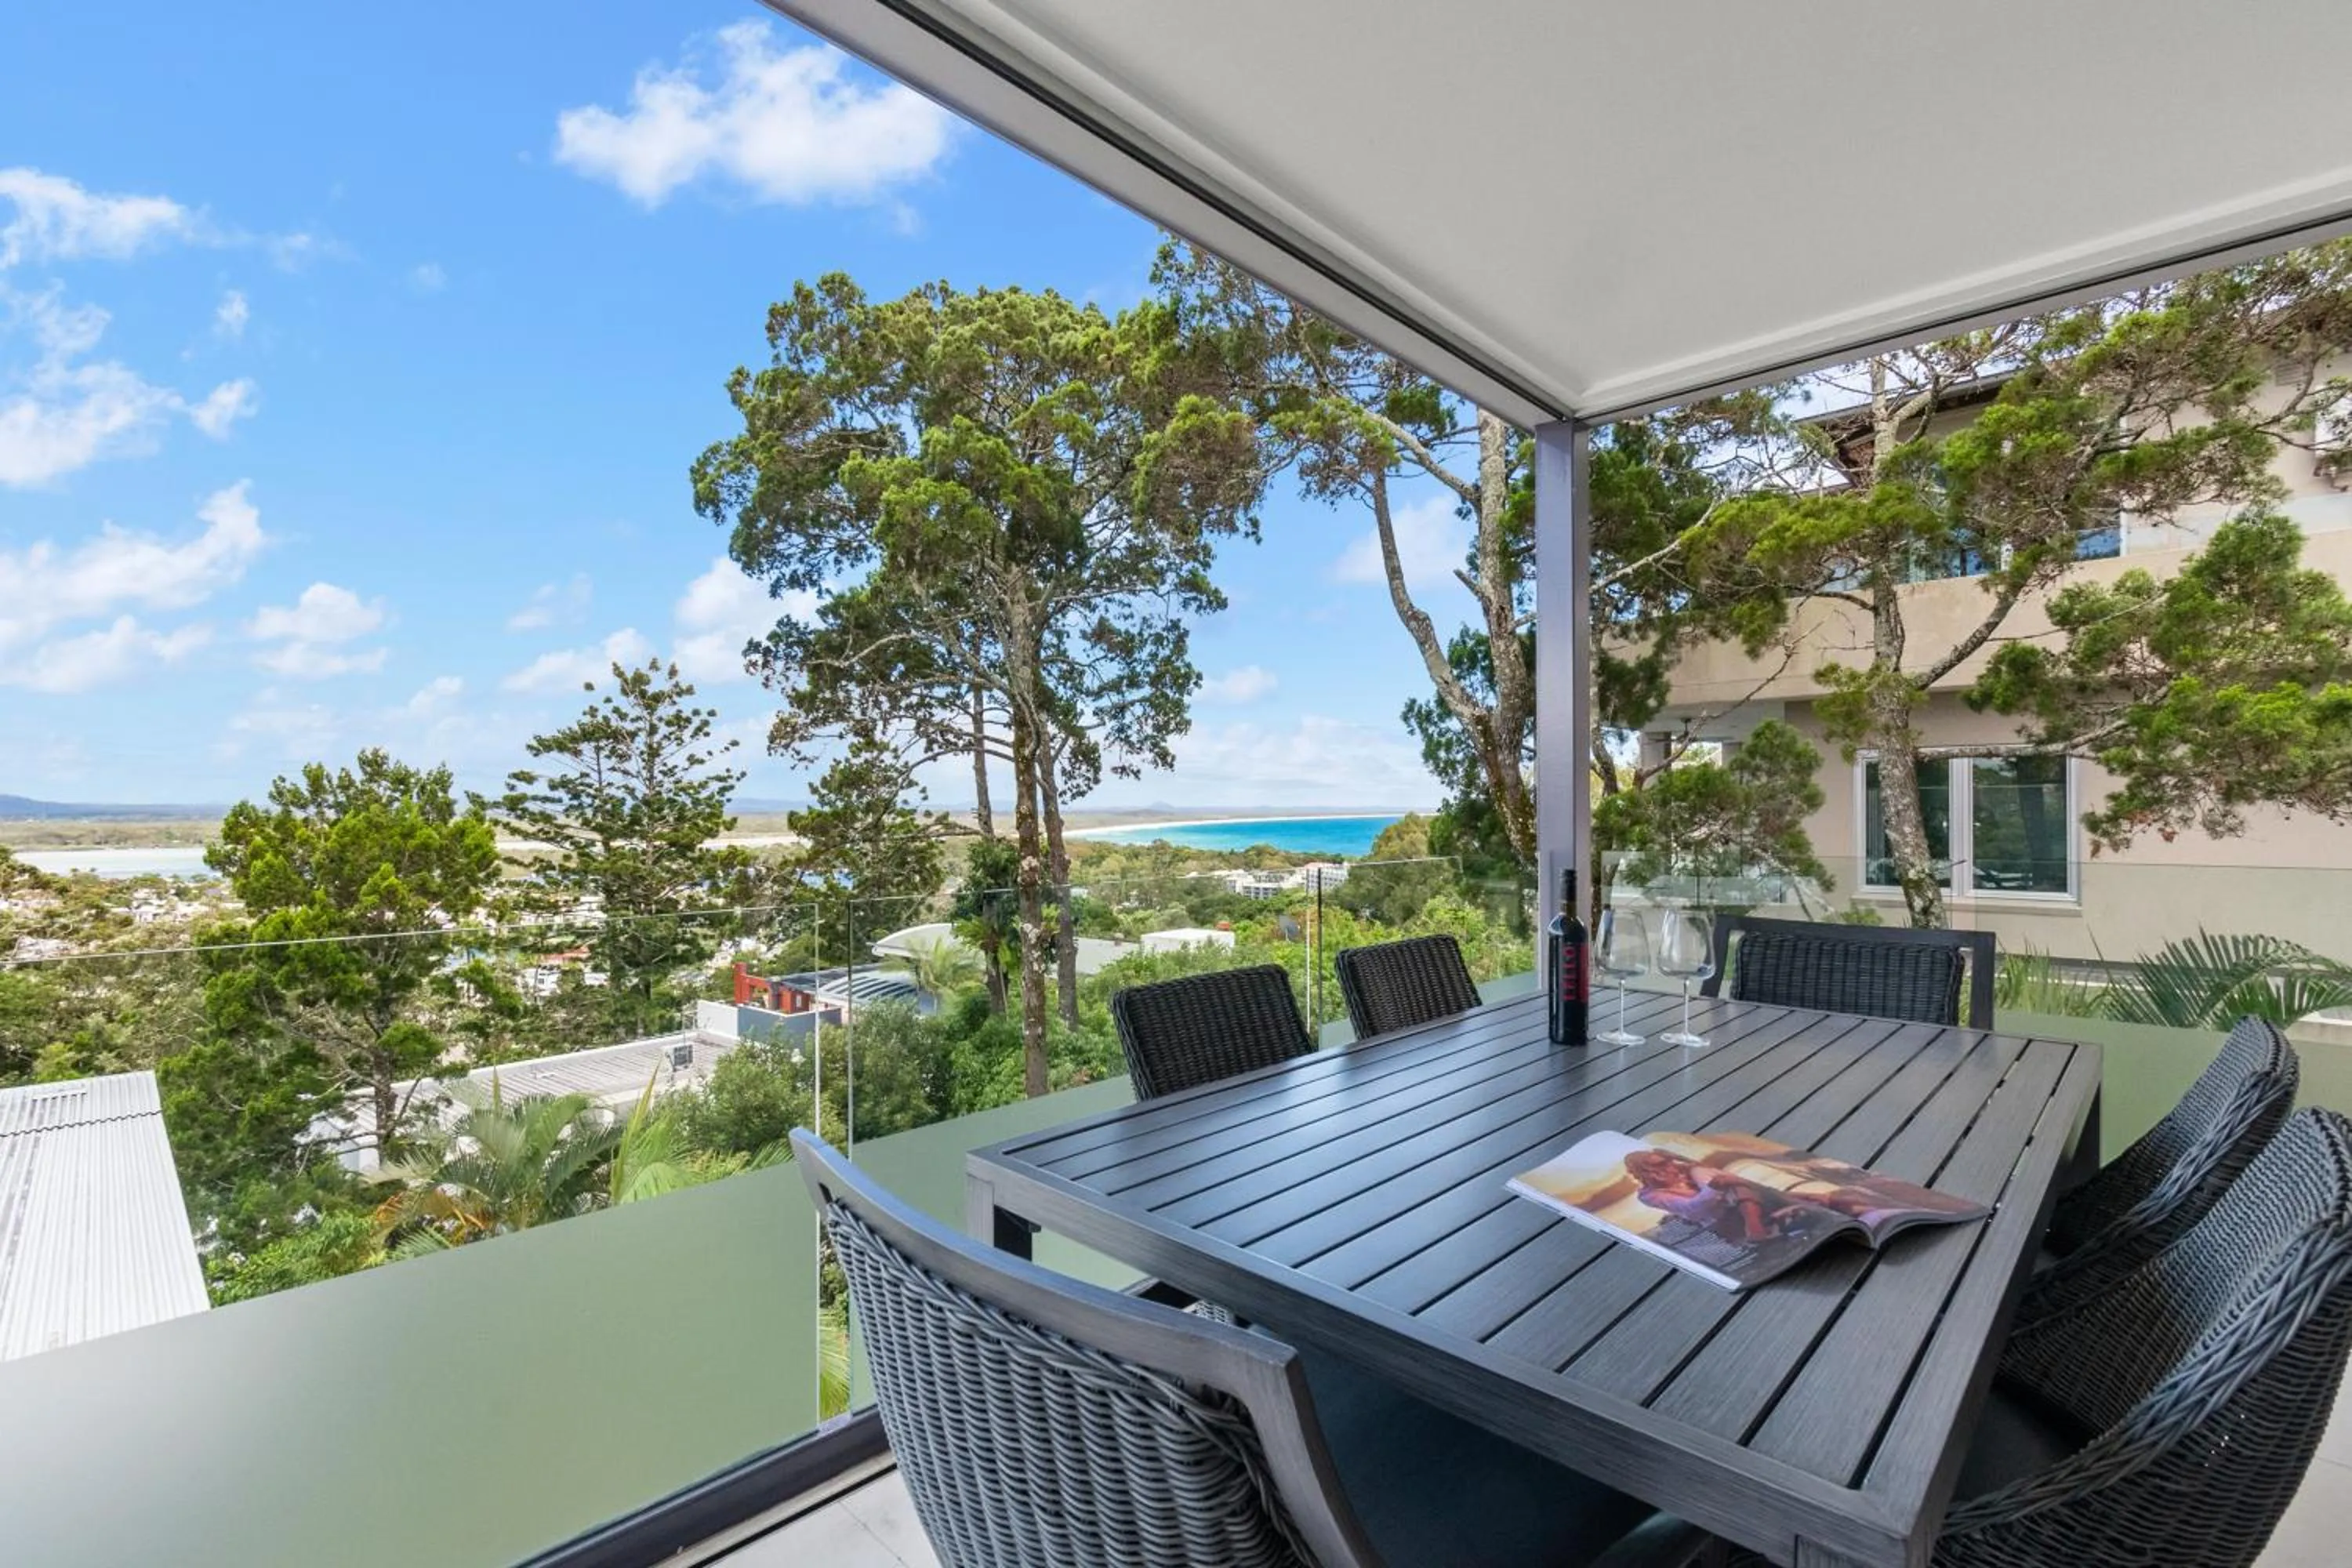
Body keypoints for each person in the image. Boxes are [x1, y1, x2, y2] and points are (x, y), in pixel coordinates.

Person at [1621, 1147, 1823, 1247]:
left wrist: (1690, 1166)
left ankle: (1787, 1204)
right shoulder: (1650, 1195)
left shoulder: (1685, 1170)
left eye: (1666, 1162)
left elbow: (1723, 1179)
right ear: (1644, 1172)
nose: (1667, 1168)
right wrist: (1713, 1187)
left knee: (1735, 1183)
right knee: (1732, 1185)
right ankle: (1755, 1227)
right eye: (1657, 1166)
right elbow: (1694, 1209)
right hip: (1722, 1220)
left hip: (1739, 1204)